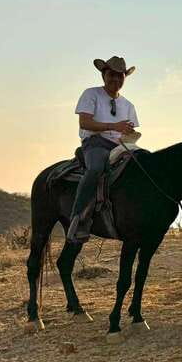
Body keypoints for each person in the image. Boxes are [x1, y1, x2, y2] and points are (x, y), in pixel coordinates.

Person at [66, 56, 139, 243]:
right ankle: (78, 218)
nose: (116, 79)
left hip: (122, 145)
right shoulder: (91, 94)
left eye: (120, 76)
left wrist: (128, 133)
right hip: (95, 143)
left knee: (144, 166)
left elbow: (129, 130)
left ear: (124, 78)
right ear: (104, 75)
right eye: (111, 75)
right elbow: (85, 122)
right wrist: (114, 126)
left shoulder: (129, 105)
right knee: (95, 169)